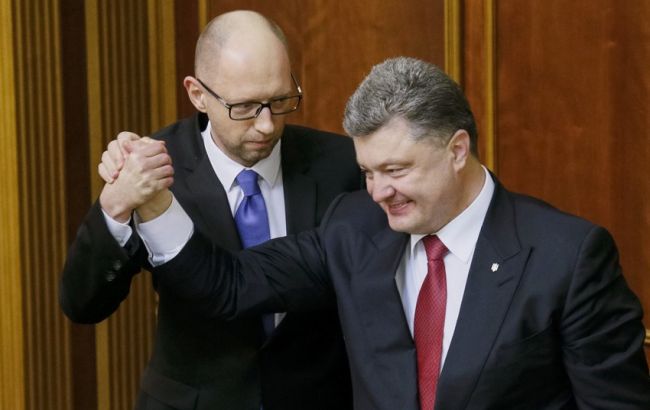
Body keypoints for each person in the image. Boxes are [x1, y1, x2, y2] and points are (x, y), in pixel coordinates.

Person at [121, 56, 650, 409]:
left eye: (395, 170)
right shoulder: (354, 227)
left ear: (457, 150)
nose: (378, 192)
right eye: (368, 172)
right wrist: (154, 203)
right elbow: (231, 285)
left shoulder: (567, 256)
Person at [59, 10, 360, 410]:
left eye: (280, 100)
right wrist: (114, 206)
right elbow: (83, 304)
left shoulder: (343, 165)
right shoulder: (156, 169)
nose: (267, 124)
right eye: (245, 107)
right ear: (198, 94)